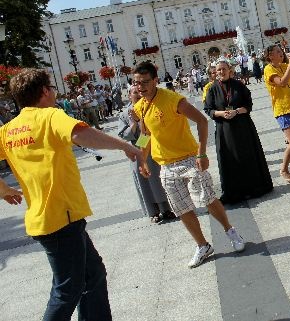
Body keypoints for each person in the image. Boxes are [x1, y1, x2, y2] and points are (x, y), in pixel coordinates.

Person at [0, 68, 142, 321]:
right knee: (67, 290)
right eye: (52, 88)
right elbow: (81, 134)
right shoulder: (49, 116)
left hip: (48, 218)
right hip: (60, 217)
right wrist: (124, 146)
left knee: (93, 274)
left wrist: (4, 190)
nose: (54, 93)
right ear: (44, 91)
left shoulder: (9, 130)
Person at [132, 62, 246, 268]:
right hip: (166, 165)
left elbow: (202, 122)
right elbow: (145, 135)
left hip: (189, 159)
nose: (140, 87)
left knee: (208, 199)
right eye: (136, 83)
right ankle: (202, 245)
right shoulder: (140, 106)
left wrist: (202, 153)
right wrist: (142, 158)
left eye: (145, 82)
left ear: (155, 81)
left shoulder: (173, 100)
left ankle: (230, 231)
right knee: (181, 208)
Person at [204, 58, 273, 204]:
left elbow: (248, 105)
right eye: (219, 70)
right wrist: (221, 114)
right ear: (215, 72)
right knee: (229, 159)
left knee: (247, 155)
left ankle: (253, 187)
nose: (221, 72)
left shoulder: (239, 85)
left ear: (230, 70)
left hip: (243, 127)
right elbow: (208, 110)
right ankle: (235, 191)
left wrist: (236, 111)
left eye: (224, 69)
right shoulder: (212, 88)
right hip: (225, 129)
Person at [118, 85, 174, 223]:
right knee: (145, 184)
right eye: (134, 92)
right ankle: (153, 212)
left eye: (139, 92)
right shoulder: (124, 114)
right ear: (129, 95)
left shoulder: (148, 108)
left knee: (158, 182)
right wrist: (134, 123)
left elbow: (155, 129)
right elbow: (124, 135)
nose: (137, 94)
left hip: (153, 151)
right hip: (137, 155)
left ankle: (166, 209)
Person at [264, 44, 290, 183]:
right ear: (270, 55)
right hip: (283, 109)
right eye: (277, 52)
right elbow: (281, 82)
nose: (281, 53)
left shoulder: (284, 65)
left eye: (280, 51)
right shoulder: (269, 69)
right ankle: (284, 169)